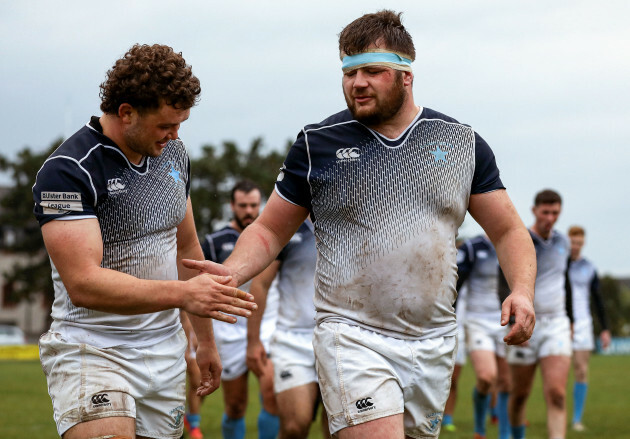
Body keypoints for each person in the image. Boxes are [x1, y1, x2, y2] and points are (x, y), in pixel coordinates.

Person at [184, 10, 536, 439]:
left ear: (406, 76)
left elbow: (508, 230)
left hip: (434, 341)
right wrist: (232, 272)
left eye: (373, 71)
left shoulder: (461, 143)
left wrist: (521, 290)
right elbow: (269, 230)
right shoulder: (317, 145)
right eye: (349, 72)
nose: (358, 83)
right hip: (350, 336)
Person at [32, 44, 257, 439]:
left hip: (164, 350)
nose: (174, 135)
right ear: (126, 112)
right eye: (165, 125)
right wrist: (182, 296)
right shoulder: (69, 170)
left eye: (181, 124)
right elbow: (83, 283)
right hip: (92, 349)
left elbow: (188, 251)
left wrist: (204, 342)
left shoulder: (174, 155)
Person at [199, 180, 280, 439]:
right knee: (235, 406)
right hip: (229, 330)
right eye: (243, 205)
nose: (249, 211)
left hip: (266, 326)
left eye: (254, 205)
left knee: (271, 394)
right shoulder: (214, 241)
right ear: (232, 206)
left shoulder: (275, 237)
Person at [246, 220, 331, 439]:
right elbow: (260, 284)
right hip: (293, 340)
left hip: (338, 336)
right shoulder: (287, 227)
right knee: (295, 425)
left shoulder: (346, 223)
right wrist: (253, 342)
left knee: (337, 429)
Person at [506, 189, 573, 439]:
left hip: (556, 323)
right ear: (535, 211)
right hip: (525, 323)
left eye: (555, 212)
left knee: (556, 393)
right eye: (545, 212)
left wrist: (572, 320)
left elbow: (565, 283)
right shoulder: (520, 240)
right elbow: (505, 283)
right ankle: (516, 435)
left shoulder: (563, 242)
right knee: (520, 394)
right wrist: (514, 321)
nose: (550, 217)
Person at [457, 235, 511, 439]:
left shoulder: (509, 244)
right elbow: (457, 283)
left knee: (506, 382)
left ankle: (504, 435)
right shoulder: (472, 248)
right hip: (477, 322)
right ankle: (480, 429)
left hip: (503, 321)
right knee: (486, 377)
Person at [567, 225, 611, 432]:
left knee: (581, 370)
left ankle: (576, 419)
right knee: (557, 371)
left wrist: (605, 328)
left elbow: (598, 300)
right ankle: (556, 410)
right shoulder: (559, 264)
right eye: (572, 242)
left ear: (583, 244)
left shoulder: (589, 268)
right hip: (561, 322)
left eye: (578, 243)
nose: (575, 246)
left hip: (583, 325)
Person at [441, 282, 467, 433]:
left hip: (459, 328)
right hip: (436, 327)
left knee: (453, 378)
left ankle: (448, 416)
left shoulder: (468, 263)